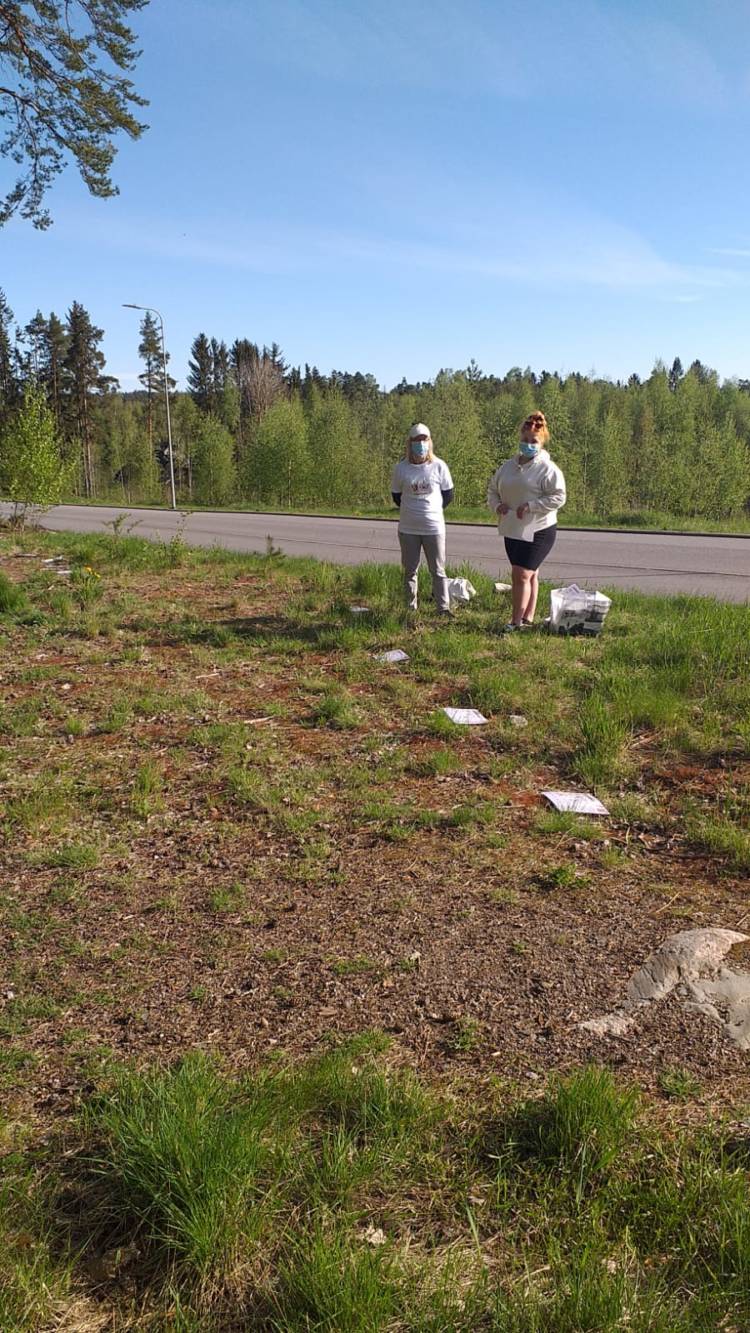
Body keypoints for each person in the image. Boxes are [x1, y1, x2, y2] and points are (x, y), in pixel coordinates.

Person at [486, 410, 566, 631]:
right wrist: (497, 505)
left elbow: (559, 497)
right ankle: (528, 617)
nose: (528, 444)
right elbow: (493, 490)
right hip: (513, 527)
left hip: (539, 527)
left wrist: (531, 506)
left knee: (520, 574)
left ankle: (515, 622)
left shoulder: (547, 469)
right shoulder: (507, 466)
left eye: (534, 441)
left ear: (542, 442)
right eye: (525, 440)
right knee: (529, 574)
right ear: (519, 439)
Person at [391, 423, 454, 615]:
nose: (421, 444)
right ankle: (410, 608)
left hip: (433, 528)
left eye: (424, 439)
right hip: (408, 529)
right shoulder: (401, 468)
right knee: (410, 571)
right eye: (417, 440)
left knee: (438, 570)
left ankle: (443, 608)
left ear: (429, 442)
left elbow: (448, 494)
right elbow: (396, 496)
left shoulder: (439, 466)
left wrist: (432, 510)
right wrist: (413, 510)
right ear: (409, 443)